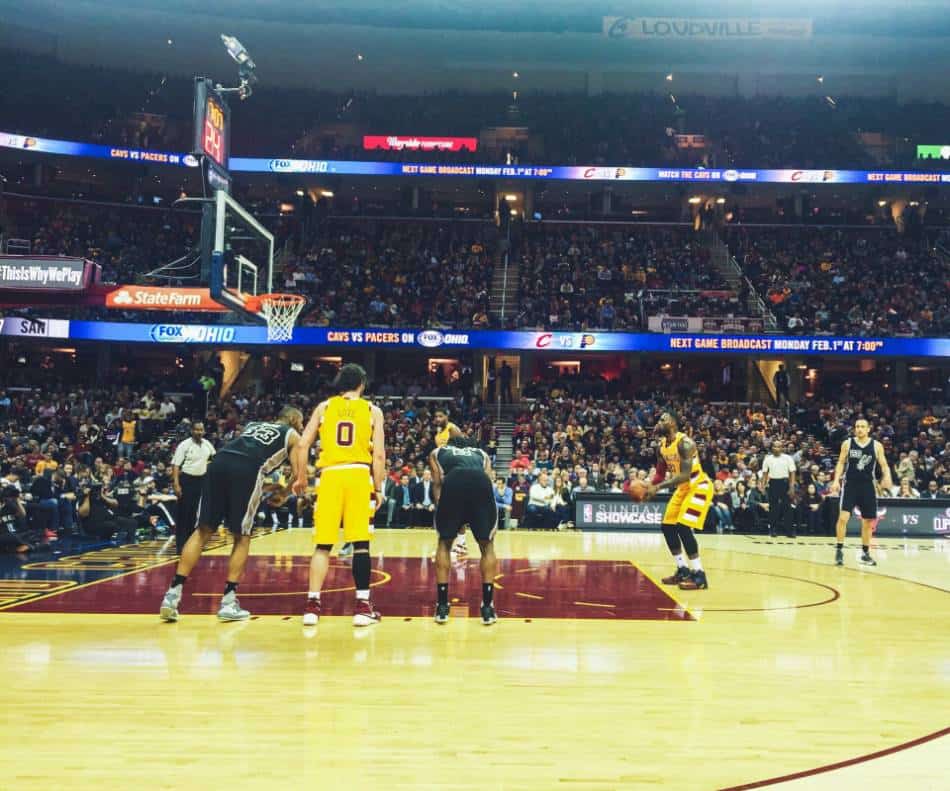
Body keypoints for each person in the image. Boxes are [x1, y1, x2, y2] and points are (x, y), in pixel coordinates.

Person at [158, 406, 305, 622]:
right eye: (301, 421)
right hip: (247, 468)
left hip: (219, 462)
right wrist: (283, 494)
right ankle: (228, 602)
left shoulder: (253, 425)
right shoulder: (293, 435)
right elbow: (298, 472)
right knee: (242, 536)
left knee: (202, 531)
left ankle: (171, 596)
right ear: (292, 419)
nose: (302, 426)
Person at [293, 364, 386, 627]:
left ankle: (312, 606)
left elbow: (302, 444)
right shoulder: (372, 410)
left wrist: (301, 477)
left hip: (330, 476)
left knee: (323, 545)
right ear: (362, 384)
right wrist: (378, 488)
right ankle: (362, 607)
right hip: (357, 475)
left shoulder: (323, 408)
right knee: (360, 544)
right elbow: (378, 455)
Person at [429, 435, 498, 625]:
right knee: (487, 546)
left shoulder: (438, 452)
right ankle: (487, 607)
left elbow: (437, 485)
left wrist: (445, 511)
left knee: (444, 544)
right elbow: (488, 485)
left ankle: (442, 606)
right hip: (481, 483)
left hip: (453, 482)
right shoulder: (481, 454)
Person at [644, 412, 712, 590]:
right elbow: (659, 473)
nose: (658, 422)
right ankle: (683, 569)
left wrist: (657, 488)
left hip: (698, 485)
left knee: (683, 526)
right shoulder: (661, 446)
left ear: (673, 423)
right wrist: (649, 487)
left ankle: (699, 575)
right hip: (682, 488)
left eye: (662, 419)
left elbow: (684, 475)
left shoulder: (685, 443)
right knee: (667, 526)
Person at [830, 418, 893, 567]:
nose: (859, 429)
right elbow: (840, 462)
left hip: (867, 486)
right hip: (850, 485)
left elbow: (884, 465)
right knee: (843, 517)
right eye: (857, 426)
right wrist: (835, 480)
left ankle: (865, 553)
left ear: (868, 429)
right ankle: (839, 550)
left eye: (862, 426)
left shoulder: (877, 446)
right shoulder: (848, 444)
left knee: (868, 521)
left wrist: (887, 477)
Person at [170, 421, 216, 553]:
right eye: (196, 430)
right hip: (187, 480)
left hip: (202, 481)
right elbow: (176, 465)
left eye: (201, 430)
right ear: (192, 430)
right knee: (184, 513)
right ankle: (180, 546)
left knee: (196, 514)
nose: (199, 432)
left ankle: (191, 545)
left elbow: (214, 459)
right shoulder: (184, 445)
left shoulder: (207, 444)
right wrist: (176, 484)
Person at [761, 440, 797, 538]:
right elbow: (765, 473)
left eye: (779, 446)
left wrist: (792, 486)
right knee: (773, 508)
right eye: (775, 446)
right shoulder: (768, 459)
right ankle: (773, 530)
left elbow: (792, 472)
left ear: (782, 448)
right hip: (773, 483)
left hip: (785, 483)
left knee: (787, 508)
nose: (776, 448)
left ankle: (789, 531)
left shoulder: (788, 458)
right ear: (772, 448)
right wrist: (763, 485)